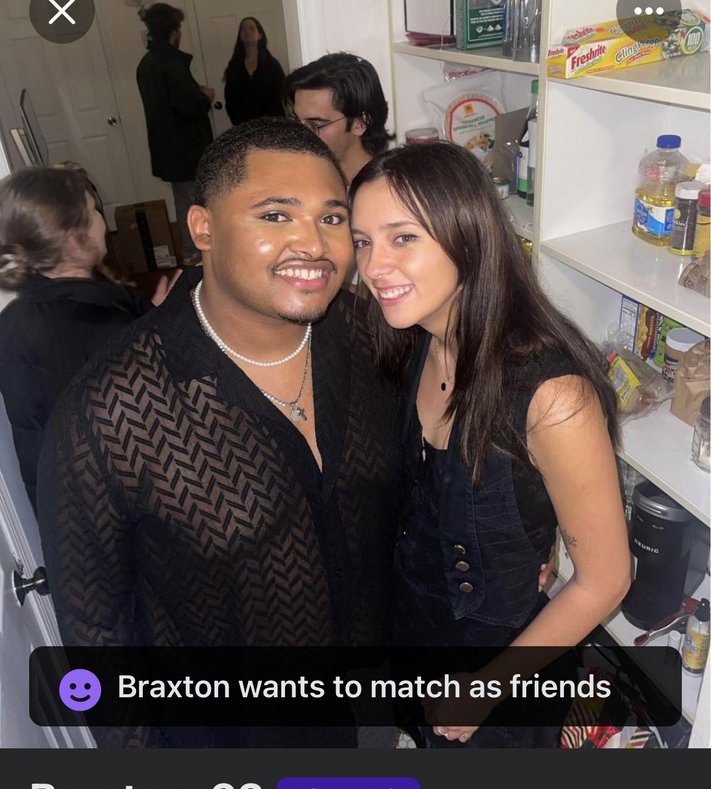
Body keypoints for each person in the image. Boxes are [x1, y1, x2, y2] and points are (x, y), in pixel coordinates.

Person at [37, 119, 400, 749]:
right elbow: (96, 638)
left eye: (332, 218)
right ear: (202, 228)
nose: (313, 244)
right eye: (276, 215)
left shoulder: (372, 336)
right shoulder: (110, 412)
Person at [350, 142, 631, 749]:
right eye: (363, 242)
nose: (373, 266)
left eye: (403, 238)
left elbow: (606, 580)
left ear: (469, 236)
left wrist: (487, 688)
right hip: (417, 633)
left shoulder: (553, 396)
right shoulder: (417, 342)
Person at [0, 166, 159, 512]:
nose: (102, 221)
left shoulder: (12, 319)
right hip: (126, 511)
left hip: (64, 509)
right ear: (74, 239)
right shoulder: (101, 324)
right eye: (94, 211)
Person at [136, 3, 214, 266]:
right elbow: (188, 107)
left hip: (167, 148)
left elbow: (165, 103)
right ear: (173, 31)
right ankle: (196, 253)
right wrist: (205, 97)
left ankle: (192, 252)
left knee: (183, 201)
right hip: (186, 148)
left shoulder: (146, 64)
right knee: (194, 202)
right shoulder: (171, 63)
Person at [285, 52, 393, 184]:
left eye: (315, 125)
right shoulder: (302, 177)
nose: (300, 135)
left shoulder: (385, 189)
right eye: (296, 120)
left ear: (360, 123)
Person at [223, 16, 285, 126]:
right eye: (243, 28)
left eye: (251, 28)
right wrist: (238, 122)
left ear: (260, 35)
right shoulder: (235, 65)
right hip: (243, 127)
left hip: (271, 126)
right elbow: (230, 98)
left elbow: (280, 95)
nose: (247, 31)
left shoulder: (272, 65)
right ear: (240, 36)